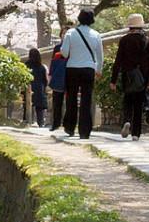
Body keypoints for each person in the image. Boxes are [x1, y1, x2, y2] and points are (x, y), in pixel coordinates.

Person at [59, 9, 104, 139]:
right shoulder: (96, 34)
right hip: (89, 69)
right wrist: (99, 69)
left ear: (79, 18)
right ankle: (84, 131)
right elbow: (100, 56)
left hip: (72, 68)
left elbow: (65, 53)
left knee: (71, 98)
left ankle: (69, 127)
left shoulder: (70, 33)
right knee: (86, 100)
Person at [110, 13, 149, 141]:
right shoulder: (148, 41)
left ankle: (127, 121)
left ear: (130, 27)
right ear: (141, 26)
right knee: (139, 104)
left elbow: (118, 61)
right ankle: (136, 134)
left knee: (128, 100)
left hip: (128, 75)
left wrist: (113, 80)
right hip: (143, 77)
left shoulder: (124, 40)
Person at [25, 48, 49, 127]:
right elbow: (45, 80)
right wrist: (44, 87)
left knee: (28, 104)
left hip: (29, 87)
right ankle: (40, 122)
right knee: (39, 107)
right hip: (39, 88)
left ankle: (27, 121)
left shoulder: (26, 65)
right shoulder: (41, 67)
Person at [48, 44, 67, 132]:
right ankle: (56, 123)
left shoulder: (74, 46)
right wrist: (51, 76)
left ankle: (67, 124)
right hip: (58, 77)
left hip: (69, 77)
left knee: (69, 103)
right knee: (56, 103)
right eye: (63, 33)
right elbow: (53, 64)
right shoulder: (57, 49)